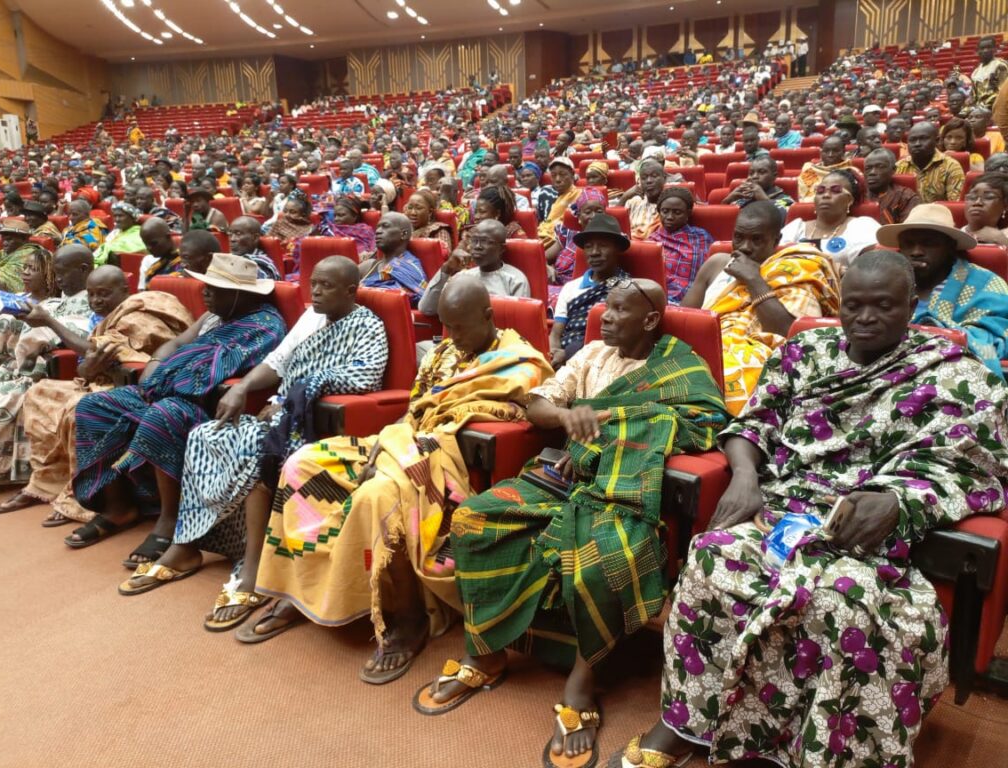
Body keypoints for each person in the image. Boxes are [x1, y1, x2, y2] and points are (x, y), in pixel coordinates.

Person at [607, 249, 1008, 768]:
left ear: (912, 305)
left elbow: (971, 465)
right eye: (854, 305)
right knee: (710, 558)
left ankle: (814, 750)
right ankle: (688, 722)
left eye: (884, 306)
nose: (865, 318)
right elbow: (753, 423)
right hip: (784, 506)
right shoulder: (804, 351)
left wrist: (898, 501)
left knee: (843, 603)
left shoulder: (957, 376)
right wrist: (745, 476)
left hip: (873, 534)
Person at [416, 280, 728, 768]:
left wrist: (602, 441)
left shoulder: (681, 367)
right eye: (607, 307)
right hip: (560, 477)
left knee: (602, 556)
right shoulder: (590, 355)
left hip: (624, 492)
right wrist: (568, 420)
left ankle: (582, 683)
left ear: (650, 319)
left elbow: (705, 423)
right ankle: (486, 653)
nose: (606, 317)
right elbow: (537, 403)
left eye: (620, 310)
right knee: (474, 519)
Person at [250, 278, 552, 679]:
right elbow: (415, 409)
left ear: (487, 316)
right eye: (445, 326)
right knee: (302, 464)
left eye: (459, 327)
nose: (451, 336)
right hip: (403, 440)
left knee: (376, 495)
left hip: (446, 459)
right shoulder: (442, 353)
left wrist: (400, 447)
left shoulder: (520, 362)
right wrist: (390, 440)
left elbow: (498, 417)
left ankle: (409, 617)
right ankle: (303, 584)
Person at [118, 258, 388, 628]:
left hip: (311, 422)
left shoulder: (367, 325)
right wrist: (244, 388)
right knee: (205, 434)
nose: (316, 292)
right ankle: (186, 545)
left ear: (350, 291)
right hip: (282, 413)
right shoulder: (312, 318)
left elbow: (366, 376)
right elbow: (278, 362)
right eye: (313, 283)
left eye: (326, 286)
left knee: (258, 449)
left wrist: (296, 395)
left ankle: (255, 567)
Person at [64, 254, 287, 558]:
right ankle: (119, 507)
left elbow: (208, 371)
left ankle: (170, 519)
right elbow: (177, 344)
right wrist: (156, 362)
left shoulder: (264, 325)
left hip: (208, 404)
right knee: (93, 406)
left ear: (239, 294)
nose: (204, 293)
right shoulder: (214, 316)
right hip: (168, 389)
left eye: (214, 289)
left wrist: (165, 378)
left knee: (163, 414)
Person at [0, 267, 193, 517]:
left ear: (125, 290)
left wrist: (50, 321)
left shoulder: (140, 314)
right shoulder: (102, 318)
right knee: (38, 393)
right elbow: (88, 363)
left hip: (134, 387)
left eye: (104, 294)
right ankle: (44, 484)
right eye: (91, 294)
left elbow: (101, 353)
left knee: (79, 408)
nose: (96, 300)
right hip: (99, 379)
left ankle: (80, 497)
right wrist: (88, 367)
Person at [683, 201, 840, 414]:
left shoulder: (794, 270)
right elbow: (685, 320)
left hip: (760, 362)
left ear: (776, 240)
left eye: (756, 239)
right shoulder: (717, 264)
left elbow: (789, 335)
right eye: (739, 237)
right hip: (704, 353)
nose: (745, 247)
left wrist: (753, 279)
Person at [0, 245, 95, 488]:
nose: (58, 278)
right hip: (17, 367)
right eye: (56, 272)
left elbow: (81, 341)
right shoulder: (56, 302)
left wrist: (45, 323)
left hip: (45, 375)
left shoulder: (92, 301)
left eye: (62, 272)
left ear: (83, 269)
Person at [877, 202, 1008, 376]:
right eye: (908, 244)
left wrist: (936, 330)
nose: (916, 251)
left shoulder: (986, 284)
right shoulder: (882, 281)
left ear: (950, 248)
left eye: (929, 243)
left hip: (955, 374)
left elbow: (995, 339)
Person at [550, 213, 631, 367]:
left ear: (617, 249)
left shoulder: (626, 288)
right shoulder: (571, 287)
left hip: (605, 362)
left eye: (603, 245)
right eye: (588, 246)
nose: (594, 252)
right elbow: (556, 333)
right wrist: (554, 353)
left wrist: (568, 354)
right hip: (562, 360)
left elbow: (618, 339)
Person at [419, 219, 529, 316]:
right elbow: (427, 309)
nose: (477, 246)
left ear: (501, 249)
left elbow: (520, 320)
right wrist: (446, 268)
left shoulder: (515, 280)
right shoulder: (463, 276)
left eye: (485, 241)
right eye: (474, 240)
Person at [780, 169, 881, 270]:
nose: (826, 195)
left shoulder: (862, 226)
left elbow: (874, 268)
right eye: (820, 191)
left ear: (849, 200)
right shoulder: (796, 227)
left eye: (835, 190)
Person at [649, 187, 713, 304]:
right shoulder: (652, 239)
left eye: (677, 212)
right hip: (657, 298)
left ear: (688, 213)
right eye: (665, 211)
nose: (669, 217)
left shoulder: (700, 237)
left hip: (693, 299)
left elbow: (708, 273)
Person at [546, 187, 607, 303]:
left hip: (590, 294)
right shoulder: (568, 236)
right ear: (579, 217)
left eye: (599, 212)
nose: (594, 216)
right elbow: (542, 259)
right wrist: (547, 267)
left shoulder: (613, 240)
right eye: (588, 212)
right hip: (556, 288)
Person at [359, 211, 427, 305]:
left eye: (385, 226)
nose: (378, 231)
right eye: (378, 227)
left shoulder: (409, 268)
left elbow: (421, 302)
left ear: (404, 234)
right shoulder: (368, 266)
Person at [896, 122, 965, 203]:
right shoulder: (899, 166)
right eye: (912, 140)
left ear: (937, 141)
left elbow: (954, 204)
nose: (917, 144)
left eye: (923, 139)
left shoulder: (951, 166)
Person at [139, 225, 217, 290]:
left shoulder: (215, 285)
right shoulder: (153, 267)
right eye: (146, 244)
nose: (149, 248)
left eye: (154, 243)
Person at [0, 219, 51, 293]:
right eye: (3, 239)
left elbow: (7, 279)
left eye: (9, 239)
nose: (4, 242)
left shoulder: (31, 254)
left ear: (24, 239)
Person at [864, 147, 920, 224]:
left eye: (880, 167)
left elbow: (908, 228)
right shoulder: (857, 196)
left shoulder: (906, 197)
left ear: (893, 169)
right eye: (868, 168)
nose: (872, 172)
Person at [536, 157, 582, 249]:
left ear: (572, 174)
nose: (557, 179)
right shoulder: (559, 196)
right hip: (544, 237)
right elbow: (548, 222)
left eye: (562, 174)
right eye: (553, 175)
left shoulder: (579, 195)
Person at [316, 196, 377, 261]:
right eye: (335, 215)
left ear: (354, 216)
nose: (336, 219)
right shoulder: (329, 230)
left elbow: (374, 249)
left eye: (341, 215)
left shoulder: (365, 230)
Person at [721, 156, 794, 211]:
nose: (754, 176)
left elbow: (783, 219)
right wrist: (727, 201)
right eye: (751, 173)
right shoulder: (743, 198)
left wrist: (763, 199)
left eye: (761, 172)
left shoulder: (786, 200)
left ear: (774, 176)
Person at [623, 159, 667, 241]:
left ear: (664, 178)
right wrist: (624, 197)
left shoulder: (672, 205)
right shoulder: (633, 202)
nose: (649, 181)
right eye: (644, 178)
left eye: (654, 176)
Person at [797, 136, 853, 200]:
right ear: (821, 152)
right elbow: (801, 197)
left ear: (843, 152)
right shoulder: (809, 169)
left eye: (835, 151)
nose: (830, 155)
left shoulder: (850, 171)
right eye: (826, 151)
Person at [227, 215, 281, 280]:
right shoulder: (227, 259)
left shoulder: (262, 265)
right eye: (230, 234)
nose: (232, 239)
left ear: (255, 238)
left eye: (238, 234)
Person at [93, 201, 145, 266]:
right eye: (115, 216)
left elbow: (132, 248)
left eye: (120, 216)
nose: (117, 219)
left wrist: (106, 247)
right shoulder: (116, 232)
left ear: (132, 218)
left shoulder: (138, 233)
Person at [404, 189, 454, 254]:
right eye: (410, 208)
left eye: (418, 208)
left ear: (430, 212)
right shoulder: (404, 229)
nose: (413, 213)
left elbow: (444, 255)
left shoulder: (439, 231)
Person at [971, 35, 1008, 109]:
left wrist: (984, 106)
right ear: (978, 51)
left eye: (988, 47)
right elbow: (974, 96)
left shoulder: (1000, 65)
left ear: (995, 49)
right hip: (979, 108)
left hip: (996, 106)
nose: (985, 50)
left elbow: (1002, 92)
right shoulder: (975, 72)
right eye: (982, 48)